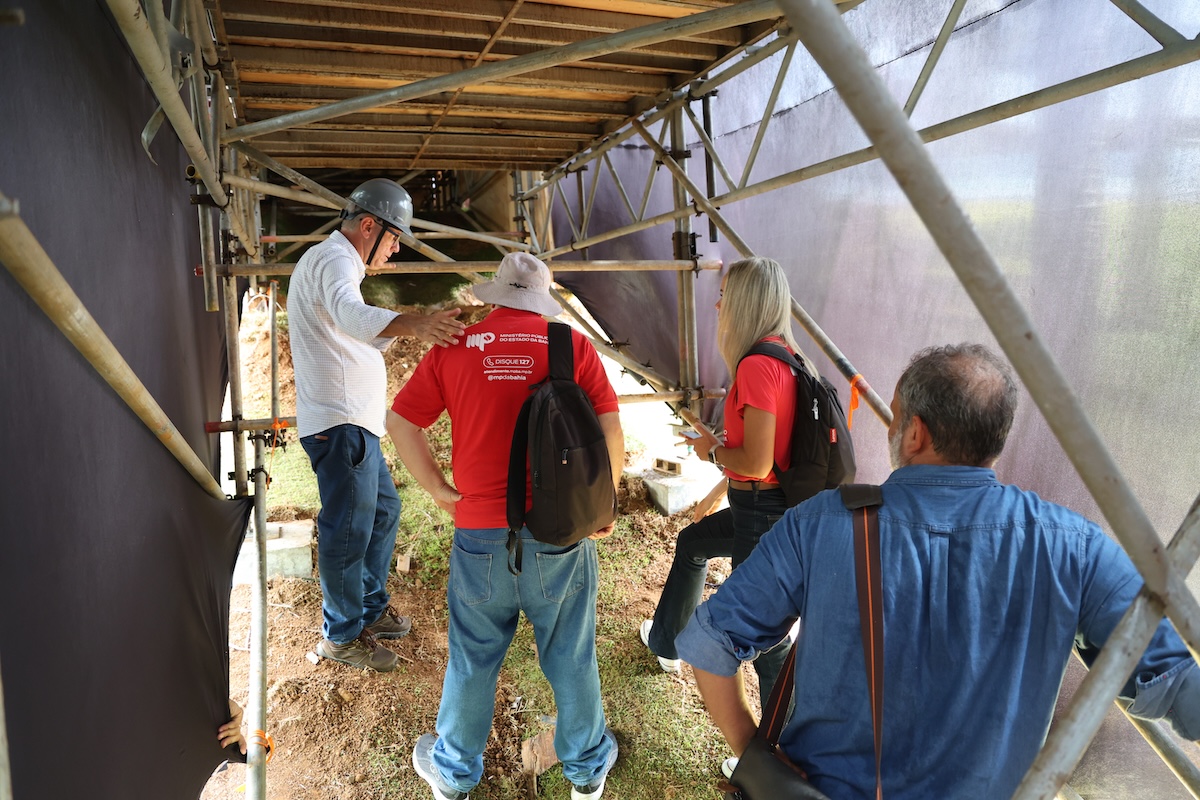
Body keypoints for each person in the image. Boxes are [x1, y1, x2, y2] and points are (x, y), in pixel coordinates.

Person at [677, 344, 1200, 799]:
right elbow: (1177, 687)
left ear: (915, 434)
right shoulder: (1074, 547)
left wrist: (756, 757)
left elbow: (708, 643)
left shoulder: (818, 524)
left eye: (896, 415)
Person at [388, 252, 624, 800]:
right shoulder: (571, 347)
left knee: (473, 656)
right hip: (561, 534)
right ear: (540, 299)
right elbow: (611, 432)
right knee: (570, 652)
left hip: (479, 537)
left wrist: (440, 491)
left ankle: (452, 774)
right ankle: (587, 774)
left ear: (494, 295)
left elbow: (400, 421)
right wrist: (601, 506)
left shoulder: (458, 346)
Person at [289, 178, 466, 672]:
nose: (392, 250)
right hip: (341, 423)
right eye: (393, 239)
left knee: (383, 510)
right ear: (370, 225)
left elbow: (346, 323)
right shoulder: (337, 259)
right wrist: (414, 323)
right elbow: (350, 313)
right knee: (347, 529)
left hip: (353, 425)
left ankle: (367, 605)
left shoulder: (329, 261)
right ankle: (340, 635)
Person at [641, 256, 816, 699]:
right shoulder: (786, 357)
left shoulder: (757, 366)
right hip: (757, 505)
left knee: (766, 634)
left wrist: (713, 451)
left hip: (762, 514)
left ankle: (779, 749)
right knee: (693, 542)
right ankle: (666, 643)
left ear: (745, 302)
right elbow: (771, 453)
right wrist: (722, 485)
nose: (717, 306)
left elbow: (756, 464)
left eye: (724, 296)